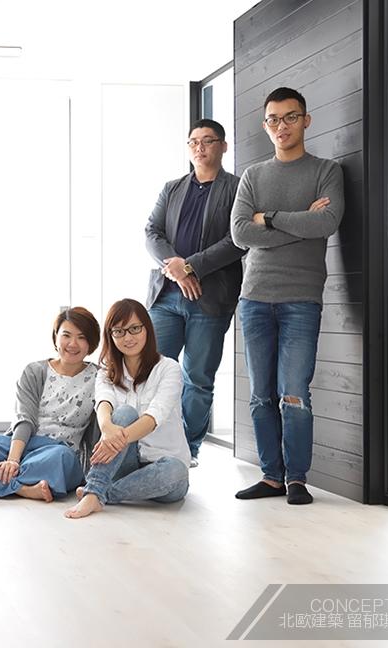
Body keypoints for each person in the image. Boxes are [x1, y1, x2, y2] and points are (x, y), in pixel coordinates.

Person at [230, 87, 344, 505]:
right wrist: (298, 223)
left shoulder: (326, 170)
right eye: (274, 119)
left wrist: (270, 219)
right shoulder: (253, 176)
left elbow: (326, 223)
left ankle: (296, 478)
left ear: (306, 120)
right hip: (254, 298)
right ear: (266, 126)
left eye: (290, 117)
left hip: (302, 298)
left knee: (293, 392)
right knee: (261, 394)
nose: (282, 126)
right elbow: (240, 233)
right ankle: (271, 477)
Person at [145, 118, 244, 467]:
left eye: (208, 141)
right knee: (153, 373)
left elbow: (237, 240)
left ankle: (188, 449)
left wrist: (191, 267)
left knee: (198, 379)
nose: (199, 148)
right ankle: (151, 444)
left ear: (223, 146)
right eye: (193, 142)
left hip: (210, 298)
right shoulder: (172, 188)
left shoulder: (237, 189)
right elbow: (152, 232)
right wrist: (175, 268)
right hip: (165, 297)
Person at [0, 307, 100, 502]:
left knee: (60, 459)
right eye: (66, 335)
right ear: (56, 337)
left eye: (81, 337)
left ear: (91, 342)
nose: (73, 344)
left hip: (60, 451)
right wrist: (13, 459)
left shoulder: (100, 377)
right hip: (22, 443)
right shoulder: (35, 371)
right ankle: (23, 488)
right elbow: (25, 419)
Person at [65, 299, 190, 519]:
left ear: (147, 328)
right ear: (111, 336)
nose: (128, 338)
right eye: (119, 331)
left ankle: (98, 493)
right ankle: (95, 492)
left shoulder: (168, 368)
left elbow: (153, 417)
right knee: (124, 413)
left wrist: (116, 439)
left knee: (176, 471)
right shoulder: (106, 370)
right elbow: (103, 403)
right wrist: (107, 428)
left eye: (134, 329)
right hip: (121, 465)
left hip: (163, 468)